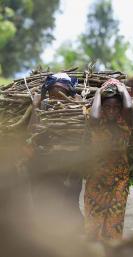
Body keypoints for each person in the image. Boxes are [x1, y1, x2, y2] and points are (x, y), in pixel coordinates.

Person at [26, 72, 84, 232]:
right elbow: (31, 134)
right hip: (45, 166)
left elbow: (82, 134)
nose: (57, 97)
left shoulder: (75, 108)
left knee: (70, 204)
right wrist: (35, 106)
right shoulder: (43, 106)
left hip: (69, 167)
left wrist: (79, 106)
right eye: (53, 92)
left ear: (69, 93)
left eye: (62, 93)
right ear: (47, 92)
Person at [83, 78, 133, 241]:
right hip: (96, 179)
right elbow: (95, 117)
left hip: (119, 181)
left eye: (116, 107)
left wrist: (122, 89)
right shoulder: (95, 121)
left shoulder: (125, 123)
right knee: (92, 228)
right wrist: (99, 92)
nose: (112, 110)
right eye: (107, 107)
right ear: (101, 107)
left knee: (113, 226)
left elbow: (129, 107)